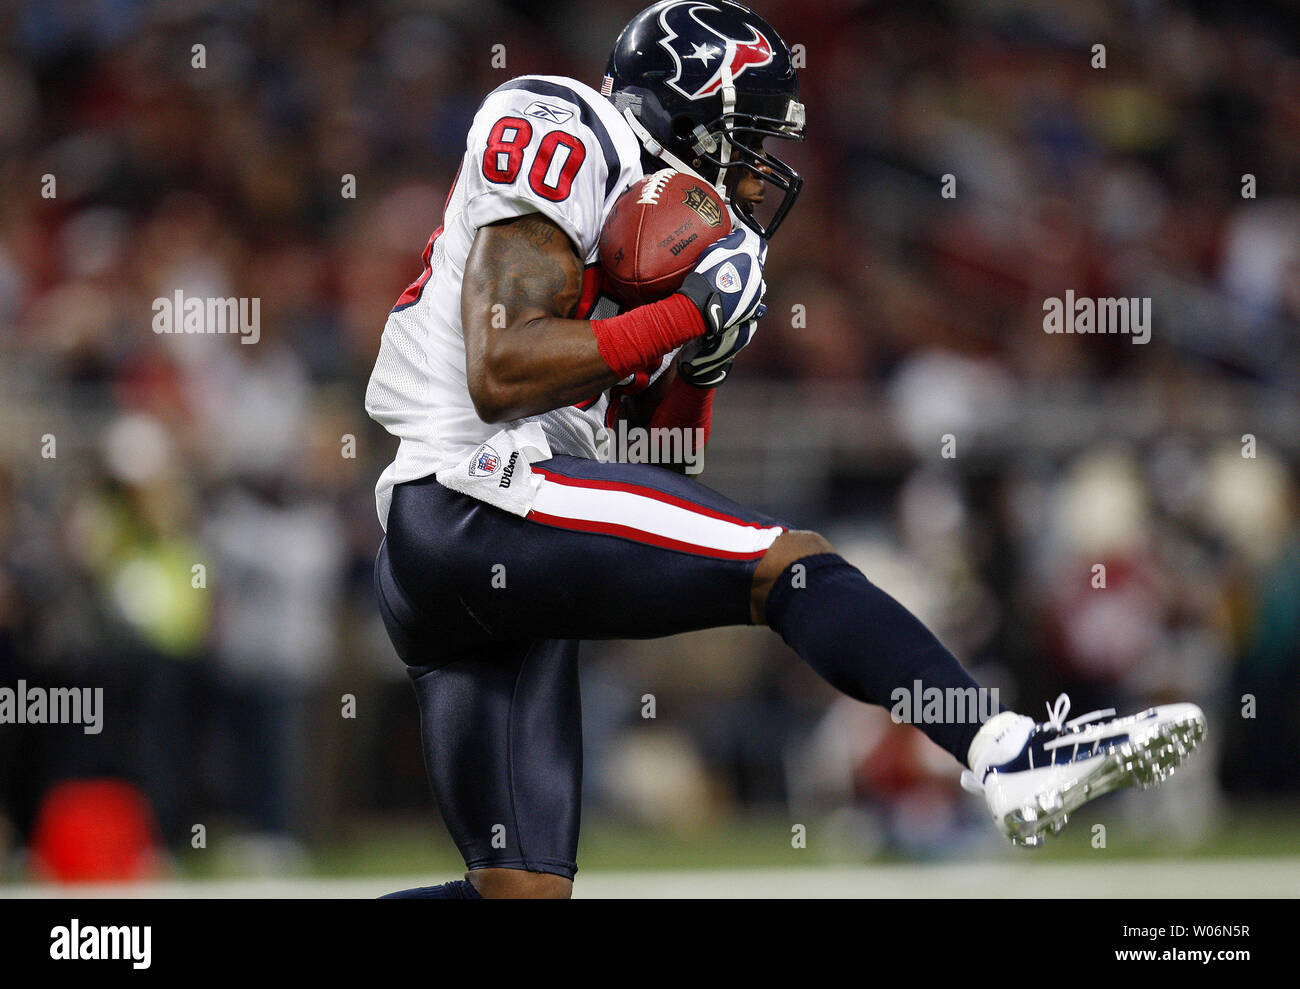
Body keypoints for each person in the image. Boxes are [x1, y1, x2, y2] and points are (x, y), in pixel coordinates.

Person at [365, 0, 1204, 899]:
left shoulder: (656, 233)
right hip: (469, 489)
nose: (760, 176)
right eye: (749, 135)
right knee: (790, 566)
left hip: (487, 540)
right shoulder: (566, 126)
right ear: (685, 110)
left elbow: (660, 466)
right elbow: (501, 369)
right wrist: (686, 313)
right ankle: (1004, 749)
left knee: (519, 898)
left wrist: (701, 357)